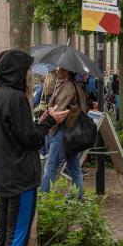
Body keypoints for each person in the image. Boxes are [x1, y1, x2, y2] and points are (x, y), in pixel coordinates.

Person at [0, 50, 68, 246]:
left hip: (5, 174)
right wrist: (50, 121)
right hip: (21, 175)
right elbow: (30, 139)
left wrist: (41, 120)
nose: (29, 75)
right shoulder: (16, 98)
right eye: (26, 70)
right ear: (17, 71)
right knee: (16, 238)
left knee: (4, 236)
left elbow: (16, 132)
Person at [40, 68, 87, 199]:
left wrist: (47, 117)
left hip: (62, 131)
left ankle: (43, 198)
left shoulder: (67, 87)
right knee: (74, 167)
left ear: (66, 71)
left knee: (51, 166)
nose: (57, 71)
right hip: (70, 132)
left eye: (60, 69)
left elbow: (58, 110)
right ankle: (78, 197)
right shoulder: (75, 86)